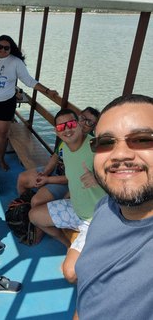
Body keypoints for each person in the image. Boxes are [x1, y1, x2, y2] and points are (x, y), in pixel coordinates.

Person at [75, 94, 153, 320]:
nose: (119, 154)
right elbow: (89, 297)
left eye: (142, 139)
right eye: (106, 143)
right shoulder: (106, 208)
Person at [28, 108, 106, 283]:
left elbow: (123, 179)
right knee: (34, 215)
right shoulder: (65, 148)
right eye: (61, 127)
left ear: (79, 123)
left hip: (97, 218)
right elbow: (72, 178)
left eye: (70, 124)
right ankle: (69, 245)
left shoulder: (96, 146)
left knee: (70, 274)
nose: (67, 129)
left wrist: (99, 179)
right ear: (57, 131)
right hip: (76, 209)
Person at [0, 35, 58, 171]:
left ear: (11, 49)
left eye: (6, 48)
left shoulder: (15, 62)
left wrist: (47, 90)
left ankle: (1, 159)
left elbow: (29, 80)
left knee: (2, 133)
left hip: (6, 103)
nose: (2, 50)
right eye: (0, 47)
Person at [17, 107, 100, 209]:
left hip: (67, 182)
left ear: (93, 127)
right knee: (22, 178)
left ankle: (33, 215)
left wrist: (47, 179)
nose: (83, 123)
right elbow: (56, 156)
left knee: (37, 201)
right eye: (82, 118)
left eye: (89, 122)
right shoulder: (68, 135)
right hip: (56, 171)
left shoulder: (90, 146)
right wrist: (45, 172)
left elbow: (74, 178)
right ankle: (23, 208)